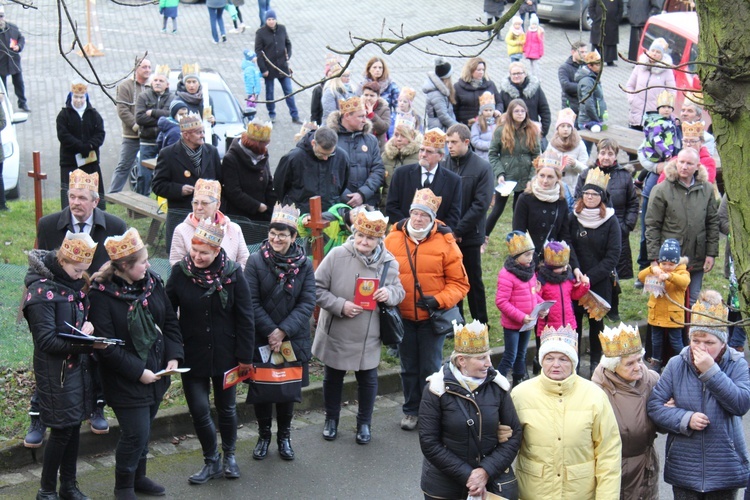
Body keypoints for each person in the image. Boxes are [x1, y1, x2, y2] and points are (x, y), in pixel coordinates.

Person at [88, 228, 183, 499]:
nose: (149, 265)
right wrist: (139, 372)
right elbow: (106, 347)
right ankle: (124, 487)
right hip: (125, 379)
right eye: (142, 261)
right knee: (135, 434)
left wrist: (174, 356)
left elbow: (169, 322)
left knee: (144, 432)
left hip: (157, 375)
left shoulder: (152, 282)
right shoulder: (101, 296)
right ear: (125, 267)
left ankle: (139, 478)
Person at [166, 218, 254, 483]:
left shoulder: (234, 273)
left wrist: (245, 358)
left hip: (227, 354)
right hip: (192, 353)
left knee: (226, 409)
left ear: (217, 251)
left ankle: (230, 456)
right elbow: (168, 314)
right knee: (200, 409)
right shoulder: (180, 273)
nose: (197, 256)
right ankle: (211, 460)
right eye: (194, 250)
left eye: (204, 252)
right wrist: (173, 347)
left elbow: (245, 316)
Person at [23, 233, 103, 500]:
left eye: (84, 271)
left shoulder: (68, 285)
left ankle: (69, 486)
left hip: (75, 369)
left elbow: (73, 324)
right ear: (63, 260)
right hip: (54, 374)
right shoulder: (41, 292)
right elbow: (46, 340)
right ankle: (46, 491)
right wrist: (86, 343)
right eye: (77, 270)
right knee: (60, 431)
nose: (81, 276)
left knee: (73, 426)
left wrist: (86, 329)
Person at [647, 290, 750, 498]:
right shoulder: (677, 364)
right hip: (684, 469)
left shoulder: (736, 363)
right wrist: (685, 418)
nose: (700, 348)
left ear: (723, 342)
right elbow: (654, 407)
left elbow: (740, 404)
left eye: (709, 343)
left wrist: (711, 372)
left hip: (725, 468)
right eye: (695, 341)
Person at [314, 210, 405, 444]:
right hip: (338, 328)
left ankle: (364, 423)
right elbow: (315, 288)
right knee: (333, 377)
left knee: (368, 380)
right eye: (360, 236)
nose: (364, 242)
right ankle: (331, 419)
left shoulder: (389, 262)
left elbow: (400, 291)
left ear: (379, 240)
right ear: (354, 234)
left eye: (370, 238)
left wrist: (389, 293)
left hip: (369, 332)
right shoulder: (336, 255)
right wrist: (340, 305)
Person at [384, 188, 470, 431]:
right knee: (408, 367)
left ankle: (432, 411)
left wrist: (439, 300)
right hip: (402, 317)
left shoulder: (446, 242)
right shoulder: (392, 239)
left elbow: (460, 283)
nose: (418, 218)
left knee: (431, 368)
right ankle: (411, 410)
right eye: (415, 213)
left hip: (432, 318)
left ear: (432, 218)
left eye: (424, 215)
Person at [511, 324, 622, 498]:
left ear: (573, 362)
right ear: (541, 361)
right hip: (533, 493)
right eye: (549, 358)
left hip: (580, 493)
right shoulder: (520, 395)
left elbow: (609, 453)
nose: (555, 365)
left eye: (563, 359)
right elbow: (505, 447)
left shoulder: (595, 396)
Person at [419, 322, 522, 500]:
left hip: (491, 482)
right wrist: (470, 476)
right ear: (462, 361)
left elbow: (514, 435)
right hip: (443, 487)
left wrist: (485, 471)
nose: (489, 364)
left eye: (488, 356)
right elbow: (429, 442)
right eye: (482, 358)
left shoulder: (498, 387)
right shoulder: (436, 389)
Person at [244, 203, 316, 459]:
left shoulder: (305, 265)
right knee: (263, 388)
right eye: (273, 233)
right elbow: (250, 302)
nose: (276, 238)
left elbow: (308, 301)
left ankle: (284, 436)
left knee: (287, 390)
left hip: (292, 338)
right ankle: (264, 435)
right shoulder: (254, 261)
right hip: (261, 337)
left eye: (283, 234)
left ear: (294, 237)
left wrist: (283, 331)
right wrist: (271, 331)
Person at [592, 323, 661, 500]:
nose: (638, 366)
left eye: (639, 359)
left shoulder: (652, 379)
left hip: (646, 465)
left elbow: (663, 424)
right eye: (629, 363)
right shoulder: (596, 391)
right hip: (613, 469)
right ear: (613, 366)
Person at [645, 147, 719, 306]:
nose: (684, 167)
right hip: (669, 258)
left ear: (697, 166)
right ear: (675, 162)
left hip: (697, 255)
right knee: (667, 301)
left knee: (692, 300)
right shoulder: (661, 190)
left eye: (689, 164)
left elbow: (712, 222)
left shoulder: (706, 189)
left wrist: (711, 253)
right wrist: (653, 259)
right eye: (681, 162)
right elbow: (652, 225)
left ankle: (688, 331)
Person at [569, 167, 622, 375]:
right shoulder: (573, 217)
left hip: (598, 281)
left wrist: (591, 277)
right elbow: (568, 243)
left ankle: (595, 365)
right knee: (574, 324)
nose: (590, 197)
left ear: (602, 197)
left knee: (595, 326)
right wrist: (576, 271)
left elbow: (613, 254)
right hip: (576, 278)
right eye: (587, 193)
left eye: (594, 194)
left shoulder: (610, 220)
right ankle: (573, 362)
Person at [576, 139, 639, 302]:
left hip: (617, 228)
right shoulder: (586, 174)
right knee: (596, 267)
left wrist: (626, 226)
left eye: (610, 154)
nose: (606, 157)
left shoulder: (624, 176)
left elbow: (633, 203)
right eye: (603, 153)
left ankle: (613, 303)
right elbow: (578, 199)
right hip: (591, 229)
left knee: (613, 268)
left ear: (616, 156)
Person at [444, 123, 494, 325]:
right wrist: (449, 231)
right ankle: (456, 321)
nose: (450, 146)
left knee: (473, 280)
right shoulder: (445, 164)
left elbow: (480, 204)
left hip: (470, 234)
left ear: (466, 142)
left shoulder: (482, 167)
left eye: (454, 142)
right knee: (452, 280)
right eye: (447, 142)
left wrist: (459, 230)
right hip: (448, 234)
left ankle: (480, 322)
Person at [485, 99, 541, 240]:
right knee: (497, 209)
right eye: (517, 111)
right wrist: (499, 173)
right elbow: (492, 154)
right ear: (510, 113)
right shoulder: (501, 130)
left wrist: (531, 178)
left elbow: (536, 156)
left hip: (524, 175)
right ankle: (482, 237)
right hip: (506, 176)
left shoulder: (532, 130)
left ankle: (517, 241)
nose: (520, 114)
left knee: (519, 211)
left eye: (523, 111)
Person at [386, 128, 462, 230]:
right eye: (421, 150)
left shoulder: (453, 181)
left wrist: (431, 231)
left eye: (429, 151)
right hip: (404, 234)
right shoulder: (401, 174)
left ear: (440, 156)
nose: (423, 154)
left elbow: (453, 215)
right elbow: (391, 207)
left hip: (435, 238)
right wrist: (410, 227)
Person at [495, 230, 543, 385]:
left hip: (528, 322)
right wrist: (521, 317)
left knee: (521, 354)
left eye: (532, 254)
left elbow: (533, 293)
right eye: (527, 255)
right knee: (511, 355)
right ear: (516, 256)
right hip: (514, 323)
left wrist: (541, 306)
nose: (531, 258)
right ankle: (497, 382)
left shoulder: (529, 271)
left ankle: (518, 381)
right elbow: (501, 301)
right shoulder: (507, 274)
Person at [169, 178, 249, 268]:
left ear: (217, 205)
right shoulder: (181, 230)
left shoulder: (234, 229)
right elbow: (176, 263)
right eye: (195, 203)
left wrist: (230, 278)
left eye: (204, 203)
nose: (199, 207)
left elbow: (245, 261)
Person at [637, 238, 690, 371]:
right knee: (656, 341)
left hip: (673, 316)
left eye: (671, 264)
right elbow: (641, 276)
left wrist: (669, 277)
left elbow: (684, 281)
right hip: (656, 314)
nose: (667, 267)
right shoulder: (656, 269)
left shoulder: (682, 272)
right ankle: (656, 361)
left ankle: (684, 362)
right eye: (664, 263)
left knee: (676, 341)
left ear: (677, 263)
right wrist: (652, 269)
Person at [152, 112, 222, 212]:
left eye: (203, 132)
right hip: (181, 213)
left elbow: (220, 181)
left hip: (208, 213)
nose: (203, 135)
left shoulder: (212, 151)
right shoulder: (168, 154)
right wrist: (179, 190)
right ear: (186, 135)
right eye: (199, 133)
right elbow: (157, 185)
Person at [274, 126, 349, 214]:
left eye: (330, 154)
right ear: (313, 143)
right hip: (300, 214)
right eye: (322, 154)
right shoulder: (294, 158)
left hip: (329, 214)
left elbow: (343, 184)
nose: (325, 158)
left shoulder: (342, 157)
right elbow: (279, 186)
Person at [326, 95, 385, 208]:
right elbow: (326, 172)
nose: (365, 120)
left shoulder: (371, 140)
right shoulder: (331, 139)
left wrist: (363, 194)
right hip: (338, 204)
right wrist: (347, 197)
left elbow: (378, 170)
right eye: (361, 116)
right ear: (347, 115)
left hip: (368, 202)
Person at [56, 81, 106, 209]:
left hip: (90, 161)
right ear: (71, 97)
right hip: (70, 161)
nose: (79, 100)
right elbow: (63, 136)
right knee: (71, 191)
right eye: (76, 97)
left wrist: (89, 146)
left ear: (86, 98)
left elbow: (100, 134)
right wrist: (79, 146)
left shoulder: (94, 115)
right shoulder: (63, 115)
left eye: (81, 97)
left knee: (92, 191)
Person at [221, 119, 277, 221]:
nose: (266, 148)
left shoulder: (262, 155)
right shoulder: (231, 159)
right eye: (264, 145)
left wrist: (273, 207)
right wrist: (257, 206)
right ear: (256, 145)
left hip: (262, 216)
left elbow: (269, 182)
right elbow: (233, 191)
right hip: (241, 217)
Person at [254, 9, 302, 124]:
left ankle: (294, 115)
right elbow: (258, 52)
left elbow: (288, 44)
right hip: (269, 69)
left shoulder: (282, 29)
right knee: (270, 93)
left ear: (276, 20)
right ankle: (272, 114)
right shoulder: (260, 33)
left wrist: (288, 56)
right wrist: (263, 69)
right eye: (269, 19)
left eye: (273, 19)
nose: (271, 22)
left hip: (282, 68)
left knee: (289, 92)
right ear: (266, 20)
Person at [111, 58, 151, 194]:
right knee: (124, 165)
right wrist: (135, 126)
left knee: (146, 167)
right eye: (144, 67)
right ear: (136, 68)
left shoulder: (152, 87)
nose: (147, 70)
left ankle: (143, 194)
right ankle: (113, 194)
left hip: (148, 137)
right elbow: (122, 109)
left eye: (149, 67)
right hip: (131, 135)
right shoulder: (125, 86)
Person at [537, 240, 590, 334]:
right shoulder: (542, 280)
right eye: (562, 266)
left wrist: (584, 285)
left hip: (568, 325)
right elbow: (536, 297)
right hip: (549, 327)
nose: (566, 268)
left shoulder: (568, 277)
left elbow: (574, 295)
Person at [135, 65, 173, 195]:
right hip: (147, 140)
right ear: (151, 82)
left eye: (161, 81)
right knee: (144, 175)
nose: (157, 83)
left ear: (167, 84)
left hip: (165, 142)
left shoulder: (172, 98)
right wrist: (162, 119)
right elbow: (140, 118)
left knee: (164, 175)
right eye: (155, 80)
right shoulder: (143, 96)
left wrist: (154, 112)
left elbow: (172, 116)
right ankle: (140, 202)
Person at [626, 38, 676, 130]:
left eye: (658, 52)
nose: (654, 53)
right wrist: (632, 99)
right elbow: (630, 85)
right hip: (636, 113)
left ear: (662, 55)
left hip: (654, 116)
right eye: (652, 50)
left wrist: (664, 108)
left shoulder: (667, 70)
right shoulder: (640, 66)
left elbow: (671, 92)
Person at [498, 62, 551, 140]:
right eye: (514, 74)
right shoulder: (504, 92)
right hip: (512, 135)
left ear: (525, 74)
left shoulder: (536, 90)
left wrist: (542, 132)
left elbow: (545, 111)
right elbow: (501, 114)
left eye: (519, 73)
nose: (516, 76)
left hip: (533, 133)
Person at [545, 108, 589, 203]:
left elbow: (585, 170)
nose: (566, 129)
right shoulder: (552, 144)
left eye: (569, 126)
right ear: (558, 128)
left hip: (572, 185)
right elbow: (545, 163)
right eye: (563, 126)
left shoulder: (579, 144)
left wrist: (575, 164)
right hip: (555, 185)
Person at [381, 120, 422, 211]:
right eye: (396, 135)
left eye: (403, 135)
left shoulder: (420, 156)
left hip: (411, 208)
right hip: (386, 206)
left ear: (411, 136)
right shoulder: (386, 155)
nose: (398, 139)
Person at [453, 57, 502, 126]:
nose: (481, 72)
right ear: (470, 70)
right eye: (478, 70)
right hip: (466, 125)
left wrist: (498, 110)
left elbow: (499, 102)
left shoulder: (490, 85)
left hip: (487, 125)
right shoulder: (458, 87)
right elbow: (454, 109)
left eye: (483, 70)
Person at [639, 90, 680, 164]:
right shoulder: (657, 124)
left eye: (669, 107)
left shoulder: (670, 121)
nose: (666, 109)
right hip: (656, 155)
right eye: (663, 107)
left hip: (667, 155)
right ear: (658, 109)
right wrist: (666, 153)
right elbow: (656, 140)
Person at [0, 6, 29, 112]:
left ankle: (22, 103)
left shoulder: (12, 28)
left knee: (19, 84)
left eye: (1, 17)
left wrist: (19, 46)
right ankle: (4, 105)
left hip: (14, 63)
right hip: (1, 65)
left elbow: (21, 38)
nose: (0, 20)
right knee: (2, 88)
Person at [422, 57, 458, 131]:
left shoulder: (441, 91)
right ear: (446, 78)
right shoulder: (437, 94)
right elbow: (443, 116)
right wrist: (457, 127)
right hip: (439, 130)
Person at [576, 50, 608, 131]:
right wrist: (596, 120)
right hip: (589, 122)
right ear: (590, 66)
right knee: (585, 143)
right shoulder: (587, 81)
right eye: (597, 65)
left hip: (593, 120)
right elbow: (588, 103)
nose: (600, 67)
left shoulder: (593, 77)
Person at [590, 0, 623, 65]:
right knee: (597, 41)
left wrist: (617, 19)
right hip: (598, 22)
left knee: (611, 41)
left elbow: (620, 7)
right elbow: (591, 7)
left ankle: (609, 60)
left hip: (612, 22)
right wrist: (595, 18)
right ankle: (596, 59)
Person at [558, 41, 587, 115]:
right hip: (570, 108)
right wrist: (585, 86)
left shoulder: (587, 66)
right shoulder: (564, 68)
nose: (584, 54)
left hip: (585, 107)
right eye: (581, 52)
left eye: (585, 52)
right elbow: (566, 86)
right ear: (573, 52)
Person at [361, 81, 391, 150]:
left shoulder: (384, 109)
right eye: (366, 95)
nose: (368, 98)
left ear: (378, 96)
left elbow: (384, 128)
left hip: (377, 146)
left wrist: (372, 115)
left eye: (372, 95)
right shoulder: (358, 108)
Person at [470, 92, 498, 162]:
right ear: (482, 111)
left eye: (490, 110)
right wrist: (490, 145)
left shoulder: (497, 123)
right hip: (482, 156)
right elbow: (474, 140)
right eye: (486, 110)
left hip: (496, 156)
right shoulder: (477, 125)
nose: (488, 112)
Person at [242, 50, 262, 116]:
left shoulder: (252, 67)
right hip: (253, 92)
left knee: (252, 105)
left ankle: (251, 117)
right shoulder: (250, 69)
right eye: (254, 57)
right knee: (251, 106)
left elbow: (255, 76)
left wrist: (261, 74)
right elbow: (250, 81)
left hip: (254, 91)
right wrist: (253, 92)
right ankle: (250, 118)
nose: (256, 58)